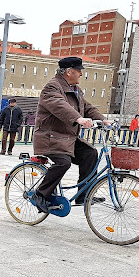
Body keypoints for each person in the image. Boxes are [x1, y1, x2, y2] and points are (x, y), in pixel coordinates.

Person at [31, 56, 110, 211]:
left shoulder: (75, 90)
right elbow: (59, 106)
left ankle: (84, 195)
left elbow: (87, 107)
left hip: (68, 138)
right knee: (63, 162)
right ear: (69, 72)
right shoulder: (52, 87)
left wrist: (104, 120)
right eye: (79, 70)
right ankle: (40, 194)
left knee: (90, 153)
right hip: (50, 138)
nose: (81, 74)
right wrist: (78, 119)